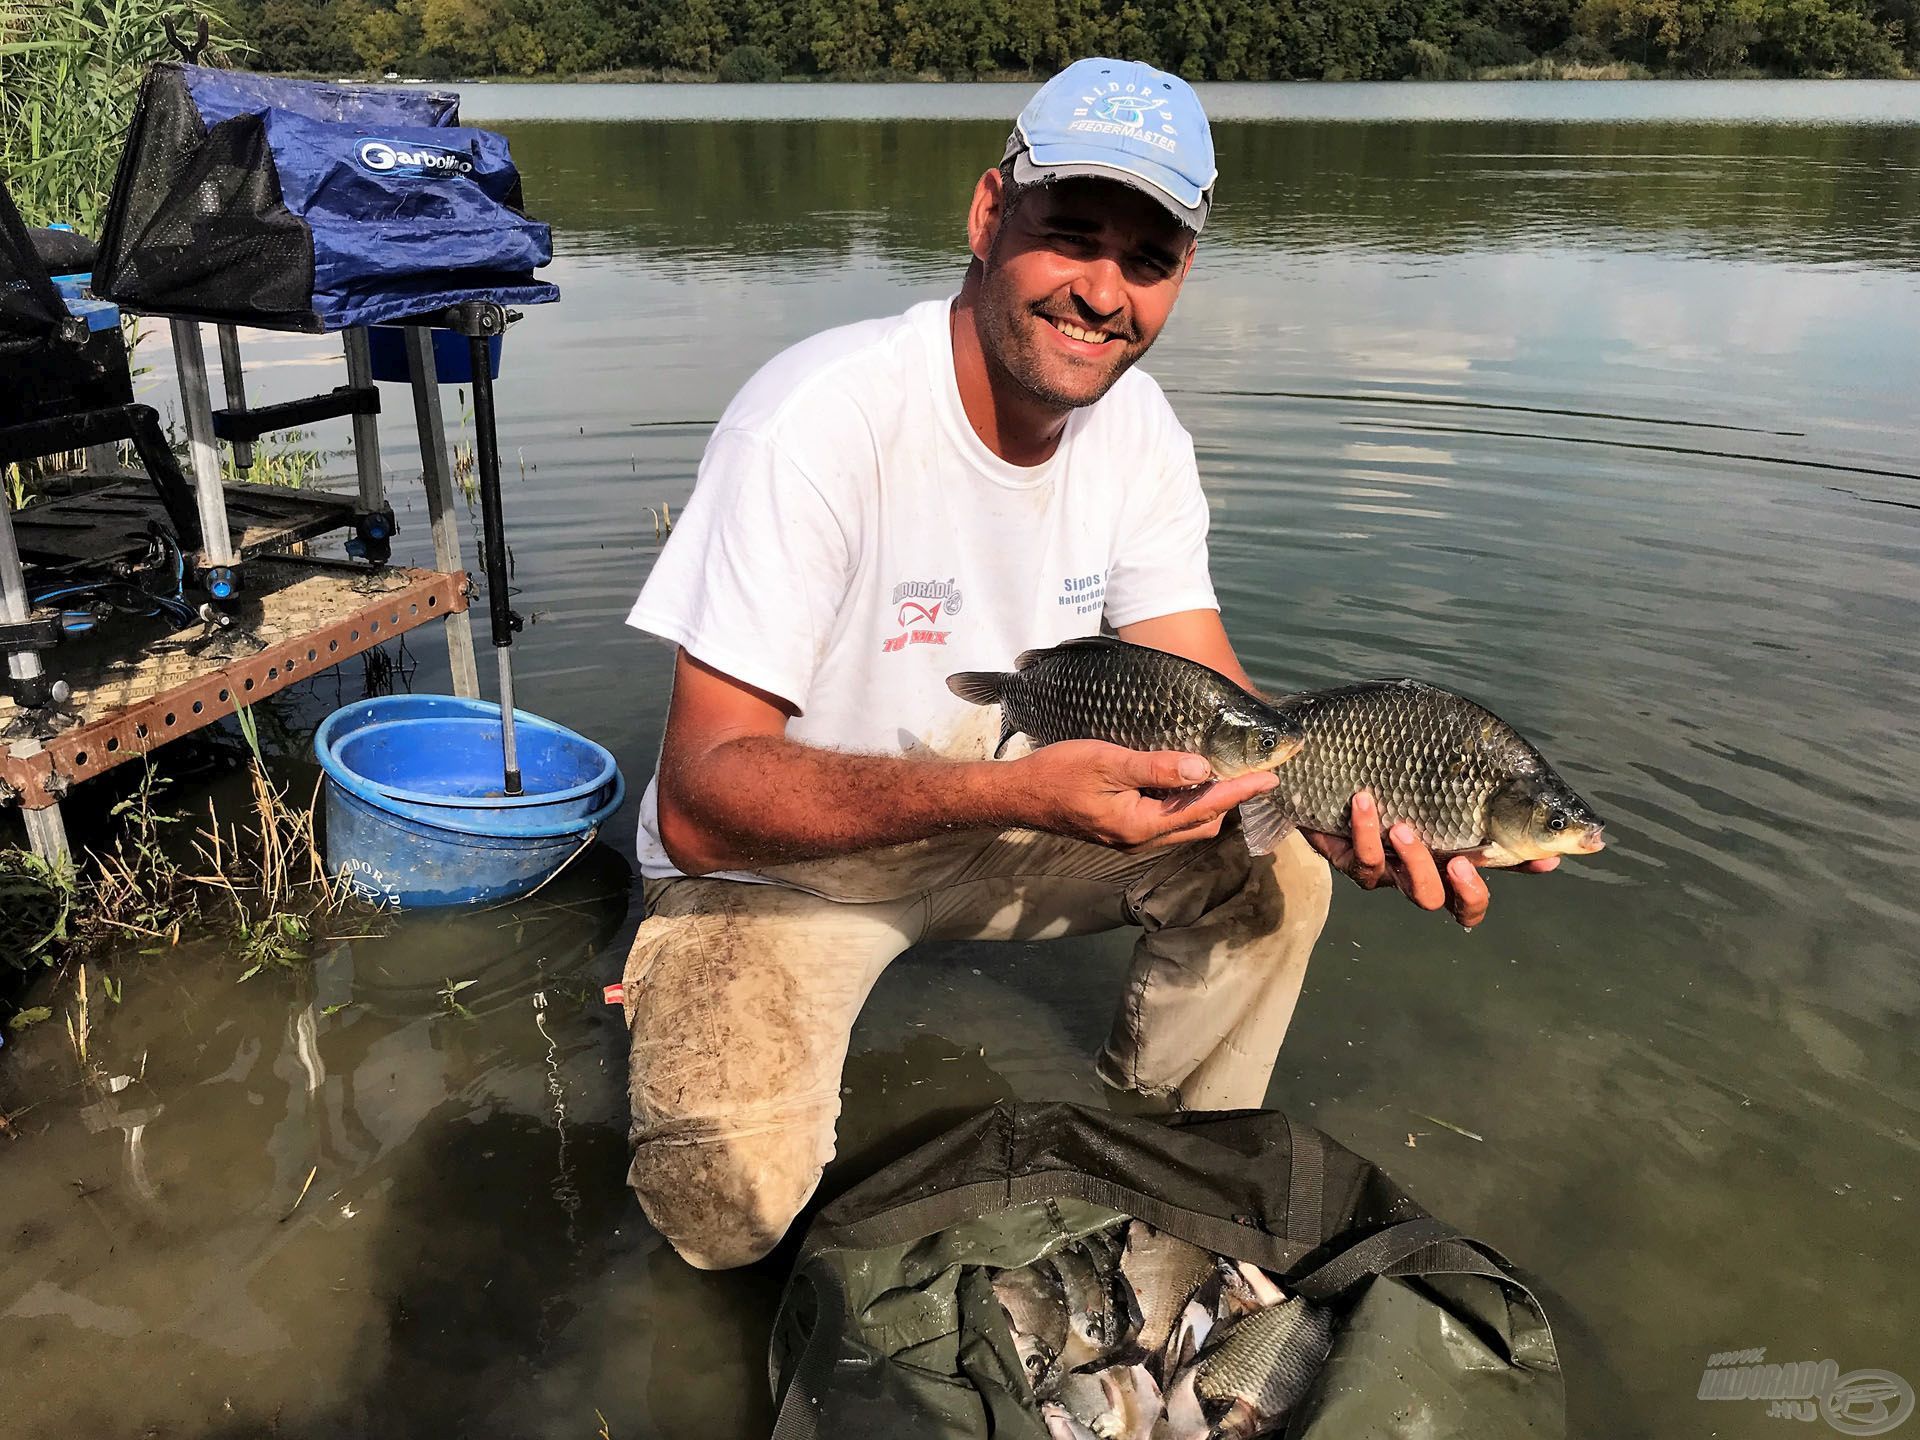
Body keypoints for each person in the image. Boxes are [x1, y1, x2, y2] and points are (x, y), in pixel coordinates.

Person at [618, 57, 1559, 1270]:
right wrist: (1011, 791)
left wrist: (1337, 809)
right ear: (984, 217)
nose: (1104, 293)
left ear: (1181, 280)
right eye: (1072, 237)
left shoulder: (1142, 434)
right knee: (722, 1214)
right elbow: (702, 803)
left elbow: (1238, 717)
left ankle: (1171, 1167)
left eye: (1150, 260)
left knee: (1277, 883)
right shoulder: (817, 420)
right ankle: (656, 971)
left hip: (1017, 802)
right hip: (784, 856)